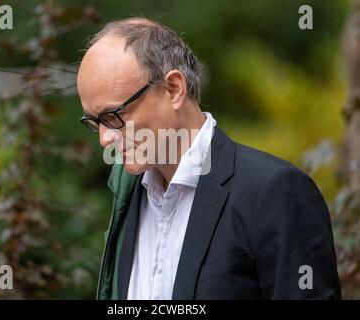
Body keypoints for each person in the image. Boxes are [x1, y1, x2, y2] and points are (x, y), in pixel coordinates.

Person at [77, 17, 341, 299]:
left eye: (114, 116)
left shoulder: (275, 191)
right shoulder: (127, 194)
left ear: (174, 88)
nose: (105, 138)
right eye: (95, 122)